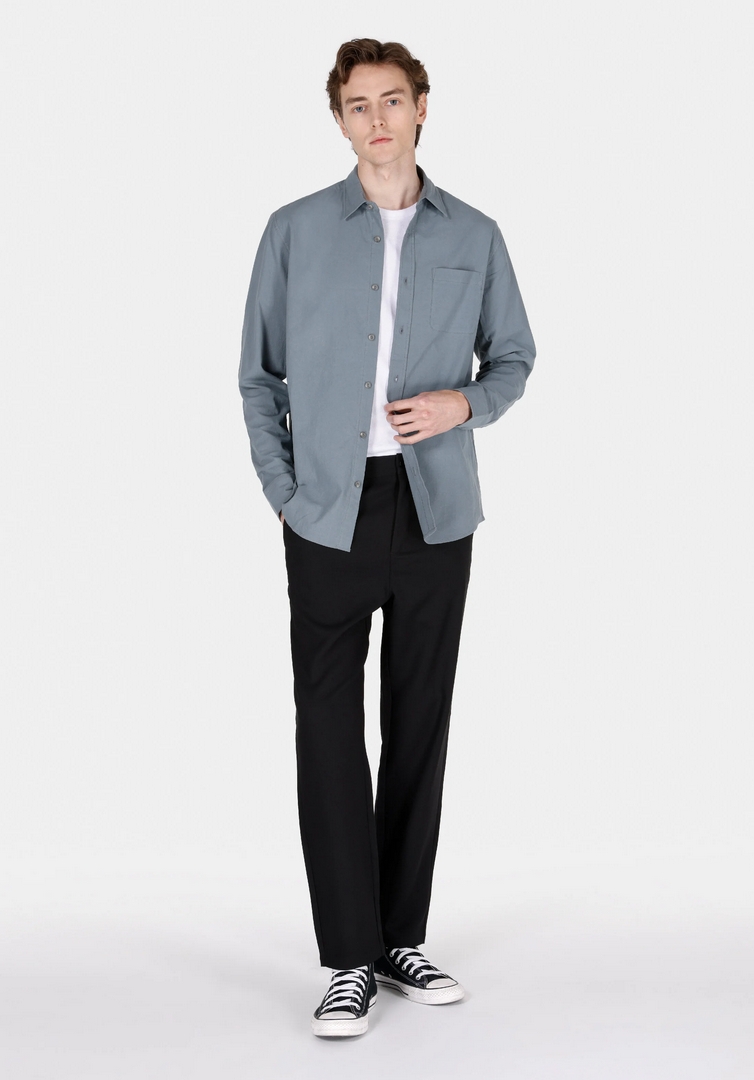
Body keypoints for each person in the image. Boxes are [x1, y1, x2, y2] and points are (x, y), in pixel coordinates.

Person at [238, 37, 536, 1038]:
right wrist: (286, 494)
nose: (377, 119)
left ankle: (400, 935)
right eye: (359, 104)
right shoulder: (293, 231)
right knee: (327, 730)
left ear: (421, 109)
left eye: (393, 100)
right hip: (326, 510)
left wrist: (463, 403)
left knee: (419, 722)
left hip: (436, 509)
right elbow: (258, 376)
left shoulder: (476, 235)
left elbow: (514, 357)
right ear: (339, 120)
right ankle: (347, 957)